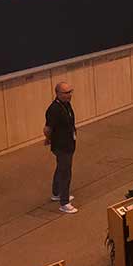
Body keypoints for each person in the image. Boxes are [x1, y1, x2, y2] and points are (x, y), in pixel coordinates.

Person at [44, 82, 78, 214]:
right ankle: (64, 203)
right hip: (61, 145)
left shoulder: (66, 104)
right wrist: (49, 139)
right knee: (65, 172)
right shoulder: (54, 109)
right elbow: (47, 128)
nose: (70, 95)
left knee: (60, 168)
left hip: (69, 142)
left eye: (71, 91)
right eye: (66, 93)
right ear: (58, 94)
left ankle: (56, 192)